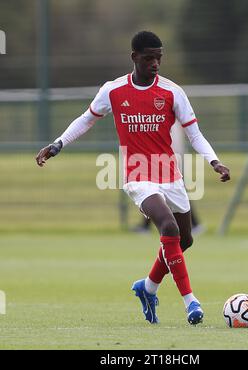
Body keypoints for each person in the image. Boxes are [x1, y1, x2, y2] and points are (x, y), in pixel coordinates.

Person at [36, 31, 230, 326]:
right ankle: (191, 302)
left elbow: (194, 133)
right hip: (137, 174)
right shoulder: (113, 90)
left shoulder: (172, 92)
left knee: (184, 240)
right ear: (134, 57)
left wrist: (214, 161)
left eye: (159, 58)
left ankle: (148, 287)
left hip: (170, 173)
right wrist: (58, 143)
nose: (155, 63)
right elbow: (86, 118)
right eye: (149, 58)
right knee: (167, 225)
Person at [132, 121, 205, 235]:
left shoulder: (170, 116)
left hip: (168, 158)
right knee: (157, 191)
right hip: (165, 158)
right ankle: (194, 224)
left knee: (156, 191)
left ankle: (193, 224)